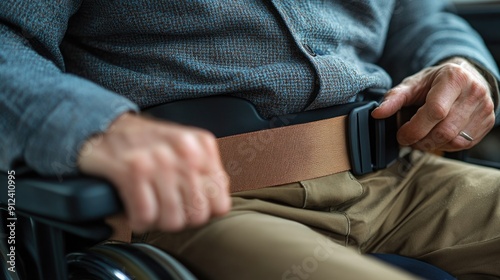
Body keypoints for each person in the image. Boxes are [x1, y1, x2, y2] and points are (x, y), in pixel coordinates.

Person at [1, 0, 499, 279]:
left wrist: (463, 64)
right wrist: (95, 125)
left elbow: (419, 16)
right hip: (204, 200)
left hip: (399, 174)